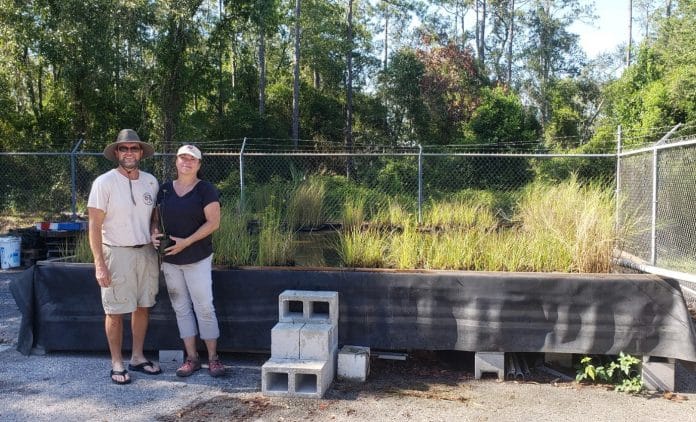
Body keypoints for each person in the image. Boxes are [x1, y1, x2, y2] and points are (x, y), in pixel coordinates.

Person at [87, 129, 162, 385]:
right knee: (115, 310)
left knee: (142, 306)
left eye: (134, 148)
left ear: (141, 153)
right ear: (116, 152)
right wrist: (99, 264)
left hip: (146, 253)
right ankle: (117, 362)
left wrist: (154, 231)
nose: (129, 153)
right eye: (124, 148)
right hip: (116, 253)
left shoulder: (151, 182)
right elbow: (94, 226)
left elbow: (154, 217)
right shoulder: (103, 183)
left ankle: (138, 357)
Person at [152, 144, 224, 377]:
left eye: (192, 159)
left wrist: (187, 241)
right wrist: (153, 234)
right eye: (183, 157)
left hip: (197, 257)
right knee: (181, 308)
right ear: (176, 161)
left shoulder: (206, 190)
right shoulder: (164, 190)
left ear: (199, 164)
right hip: (171, 260)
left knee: (204, 307)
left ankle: (213, 359)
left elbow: (213, 223)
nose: (187, 161)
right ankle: (191, 358)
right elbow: (155, 220)